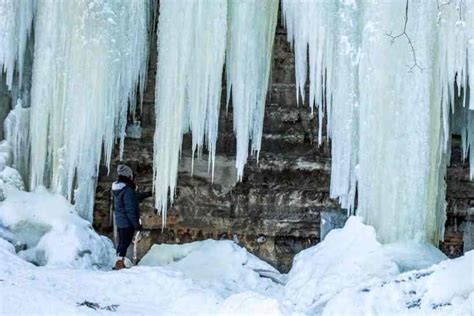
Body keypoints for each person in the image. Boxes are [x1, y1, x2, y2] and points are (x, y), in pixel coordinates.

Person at [112, 164, 152, 270]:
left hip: (121, 220)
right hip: (127, 222)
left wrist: (148, 194)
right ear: (128, 176)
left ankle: (119, 262)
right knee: (124, 242)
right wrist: (136, 224)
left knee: (122, 242)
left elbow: (133, 198)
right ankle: (119, 264)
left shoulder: (119, 189)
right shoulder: (128, 190)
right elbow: (130, 209)